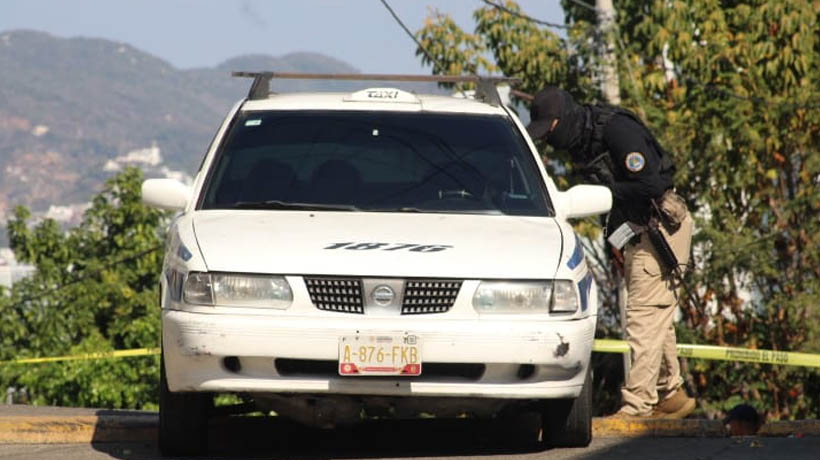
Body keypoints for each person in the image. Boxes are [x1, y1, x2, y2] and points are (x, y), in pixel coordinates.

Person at [526, 86, 695, 419]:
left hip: (660, 228)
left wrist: (602, 191)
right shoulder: (584, 142)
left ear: (564, 119)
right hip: (634, 231)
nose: (552, 141)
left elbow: (651, 185)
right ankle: (671, 394)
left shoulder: (615, 129)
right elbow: (613, 203)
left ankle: (637, 405)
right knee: (656, 317)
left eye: (551, 130)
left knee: (642, 319)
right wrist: (615, 241)